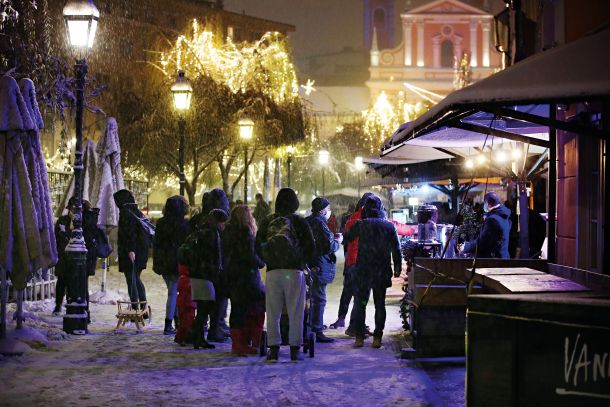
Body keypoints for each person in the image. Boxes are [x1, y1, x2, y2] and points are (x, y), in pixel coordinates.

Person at [256, 188, 315, 361]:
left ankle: (273, 349)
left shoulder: (268, 221)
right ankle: (295, 349)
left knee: (273, 311)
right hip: (294, 271)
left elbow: (257, 245)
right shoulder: (298, 221)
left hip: (274, 271)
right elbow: (310, 246)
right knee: (296, 311)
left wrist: (268, 259)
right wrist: (302, 261)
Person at [344, 195, 402, 349]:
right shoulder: (389, 226)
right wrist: (397, 268)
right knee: (379, 304)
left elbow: (347, 237)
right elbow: (397, 249)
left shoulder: (361, 224)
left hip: (364, 271)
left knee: (361, 303)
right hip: (381, 271)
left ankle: (359, 337)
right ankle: (377, 337)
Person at [180, 208, 228, 350]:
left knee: (203, 308)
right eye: (223, 223)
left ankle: (198, 338)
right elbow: (211, 257)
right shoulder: (211, 234)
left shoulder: (201, 230)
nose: (224, 226)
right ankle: (197, 337)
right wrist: (215, 272)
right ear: (218, 222)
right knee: (205, 308)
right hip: (205, 275)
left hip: (197, 274)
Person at [224, 205, 266, 355]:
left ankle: (238, 342)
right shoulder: (245, 232)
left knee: (237, 309)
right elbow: (249, 255)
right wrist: (261, 262)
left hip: (232, 277)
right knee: (253, 306)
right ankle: (249, 340)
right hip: (247, 277)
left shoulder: (227, 232)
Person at [328, 192, 373, 333]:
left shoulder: (351, 218)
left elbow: (346, 239)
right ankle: (356, 323)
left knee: (347, 291)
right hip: (363, 262)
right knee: (362, 296)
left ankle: (342, 318)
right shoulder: (370, 219)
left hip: (350, 261)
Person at [153, 195, 191, 335]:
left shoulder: (161, 223)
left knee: (172, 291)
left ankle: (175, 321)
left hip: (164, 262)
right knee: (173, 293)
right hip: (177, 262)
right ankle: (169, 323)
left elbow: (157, 244)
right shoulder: (184, 224)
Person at [306, 197, 342, 343]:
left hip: (310, 263)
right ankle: (317, 329)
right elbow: (328, 246)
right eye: (327, 209)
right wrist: (337, 242)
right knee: (319, 298)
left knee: (310, 297)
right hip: (320, 264)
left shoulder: (307, 221)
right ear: (322, 210)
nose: (329, 211)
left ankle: (310, 325)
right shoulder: (320, 223)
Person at [113, 189, 149, 312]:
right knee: (136, 278)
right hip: (141, 250)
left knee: (132, 280)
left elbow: (129, 233)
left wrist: (130, 249)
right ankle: (143, 308)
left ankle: (135, 309)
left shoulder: (125, 213)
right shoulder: (136, 212)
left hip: (130, 251)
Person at [461, 191, 512, 258]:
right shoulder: (504, 216)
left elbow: (483, 243)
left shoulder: (492, 220)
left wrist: (465, 247)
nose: (483, 206)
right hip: (502, 257)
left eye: (484, 203)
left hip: (494, 261)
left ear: (489, 204)